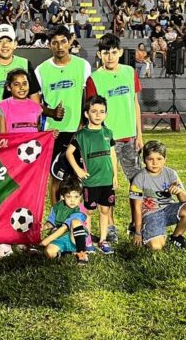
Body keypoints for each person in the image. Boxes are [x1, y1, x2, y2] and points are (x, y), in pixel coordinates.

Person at [86, 33, 143, 243]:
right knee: (107, 185)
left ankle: (136, 223)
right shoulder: (94, 79)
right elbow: (93, 113)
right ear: (99, 55)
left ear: (119, 52)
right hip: (106, 140)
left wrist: (139, 135)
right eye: (105, 53)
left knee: (136, 183)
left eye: (113, 52)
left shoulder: (130, 72)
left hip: (130, 138)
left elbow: (135, 104)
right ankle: (110, 226)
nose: (109, 56)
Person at [0, 68, 44, 261]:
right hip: (11, 162)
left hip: (31, 164)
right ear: (8, 87)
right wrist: (7, 160)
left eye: (25, 84)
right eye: (16, 84)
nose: (21, 88)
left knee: (27, 200)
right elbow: (3, 136)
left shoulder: (36, 107)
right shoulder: (2, 106)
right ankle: (4, 242)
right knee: (8, 200)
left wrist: (49, 136)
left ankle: (24, 239)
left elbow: (38, 133)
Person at [36, 25, 91, 203]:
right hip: (54, 132)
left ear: (70, 42)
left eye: (63, 42)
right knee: (56, 177)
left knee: (77, 175)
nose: (59, 46)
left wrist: (83, 123)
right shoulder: (41, 70)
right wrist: (51, 113)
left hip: (77, 130)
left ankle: (75, 216)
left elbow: (87, 97)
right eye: (54, 43)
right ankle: (55, 216)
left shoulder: (83, 66)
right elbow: (35, 105)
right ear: (49, 46)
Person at [65, 95, 118, 255]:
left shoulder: (108, 132)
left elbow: (113, 155)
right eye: (94, 111)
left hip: (106, 180)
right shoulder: (82, 135)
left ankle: (103, 240)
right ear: (87, 114)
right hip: (91, 181)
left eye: (102, 111)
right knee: (88, 211)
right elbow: (69, 153)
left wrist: (115, 176)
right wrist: (78, 170)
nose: (98, 114)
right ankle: (87, 241)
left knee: (105, 210)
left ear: (106, 114)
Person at [129, 140, 186, 251]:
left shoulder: (171, 173)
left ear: (165, 160)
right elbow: (136, 207)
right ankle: (148, 230)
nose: (155, 163)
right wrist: (137, 232)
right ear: (144, 160)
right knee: (156, 246)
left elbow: (185, 199)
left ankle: (176, 237)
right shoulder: (139, 178)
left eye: (159, 159)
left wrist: (179, 191)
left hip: (168, 210)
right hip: (151, 214)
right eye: (150, 159)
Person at [40, 179, 89, 265]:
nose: (72, 200)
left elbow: (63, 228)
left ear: (80, 197)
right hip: (61, 238)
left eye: (76, 197)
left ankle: (82, 253)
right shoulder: (56, 207)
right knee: (49, 252)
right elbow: (51, 223)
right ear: (62, 196)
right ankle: (66, 252)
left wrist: (45, 241)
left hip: (74, 238)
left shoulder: (79, 210)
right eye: (69, 196)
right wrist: (44, 227)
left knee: (75, 222)